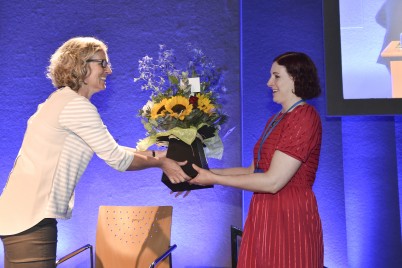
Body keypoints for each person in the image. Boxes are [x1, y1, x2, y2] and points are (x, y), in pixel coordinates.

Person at [0, 36, 190, 267]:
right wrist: (160, 163)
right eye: (102, 63)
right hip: (30, 219)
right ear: (80, 65)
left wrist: (157, 156)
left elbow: (112, 149)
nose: (108, 70)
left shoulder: (62, 101)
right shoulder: (76, 106)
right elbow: (119, 160)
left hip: (24, 216)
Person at [190, 52, 323, 267]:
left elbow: (272, 182)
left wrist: (213, 178)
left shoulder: (304, 117)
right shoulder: (277, 118)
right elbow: (253, 170)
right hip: (264, 211)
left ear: (295, 79)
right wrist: (204, 174)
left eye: (276, 76)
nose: (269, 82)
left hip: (289, 216)